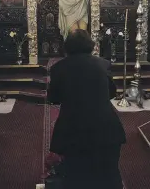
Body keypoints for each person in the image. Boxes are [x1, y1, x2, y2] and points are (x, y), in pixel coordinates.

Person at [47, 29, 126, 189]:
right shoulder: (103, 64)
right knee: (109, 174)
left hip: (73, 129)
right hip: (106, 128)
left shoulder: (58, 68)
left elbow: (53, 98)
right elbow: (112, 92)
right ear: (90, 45)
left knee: (76, 175)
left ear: (67, 46)